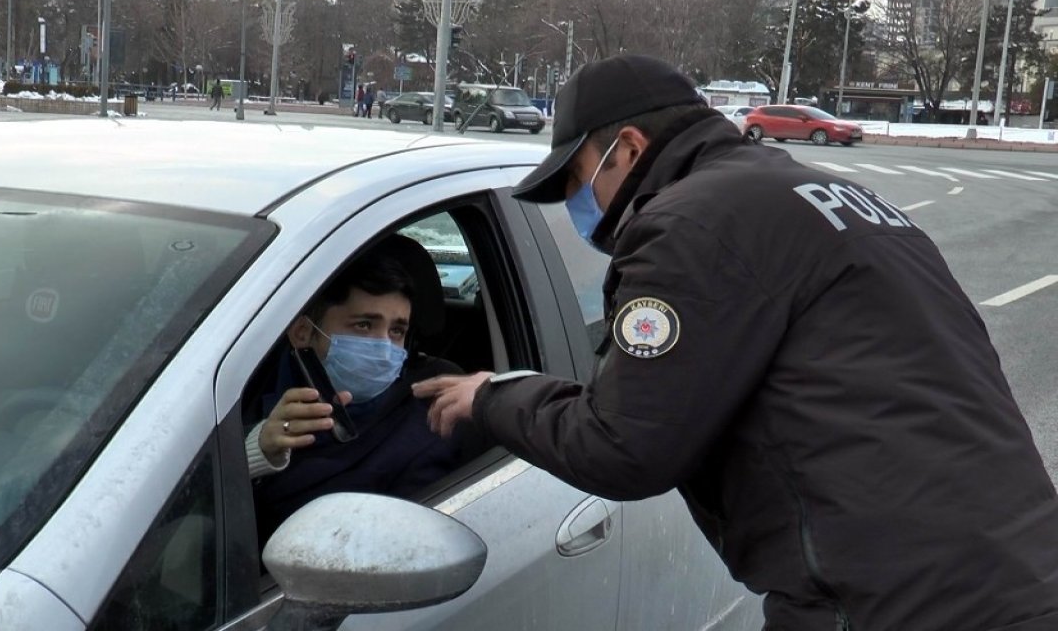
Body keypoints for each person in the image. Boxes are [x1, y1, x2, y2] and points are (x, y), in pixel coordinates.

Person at [415, 54, 1058, 630]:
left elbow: (622, 445)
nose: (577, 204)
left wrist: (492, 394)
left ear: (629, 149)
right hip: (1016, 570)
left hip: (892, 599)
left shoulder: (688, 226)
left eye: (578, 180)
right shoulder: (830, 196)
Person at [247, 236, 469, 544]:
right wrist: (257, 451)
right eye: (364, 325)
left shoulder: (427, 430)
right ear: (303, 333)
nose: (383, 347)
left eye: (397, 331)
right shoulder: (244, 374)